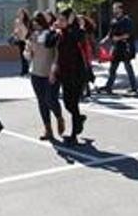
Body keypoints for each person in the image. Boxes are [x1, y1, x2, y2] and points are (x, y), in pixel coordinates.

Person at [24, 11, 64, 140]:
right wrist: (28, 50)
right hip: (36, 73)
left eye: (38, 24)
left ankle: (59, 117)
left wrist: (53, 72)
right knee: (41, 102)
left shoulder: (52, 35)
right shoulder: (32, 36)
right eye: (34, 24)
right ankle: (48, 130)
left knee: (50, 100)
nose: (36, 27)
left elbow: (57, 55)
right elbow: (29, 55)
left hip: (50, 73)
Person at [52, 8, 88, 145]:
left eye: (62, 19)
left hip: (77, 73)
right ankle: (79, 119)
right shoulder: (60, 33)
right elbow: (50, 43)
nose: (59, 22)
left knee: (73, 103)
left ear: (69, 20)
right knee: (67, 103)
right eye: (58, 19)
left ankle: (74, 135)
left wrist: (74, 22)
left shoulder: (76, 32)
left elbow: (78, 37)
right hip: (65, 74)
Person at [100, 2, 138, 95]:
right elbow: (110, 33)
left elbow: (128, 34)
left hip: (125, 48)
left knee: (128, 68)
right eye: (113, 8)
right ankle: (108, 87)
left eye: (116, 8)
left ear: (121, 9)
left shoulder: (127, 20)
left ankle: (134, 88)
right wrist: (104, 40)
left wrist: (118, 38)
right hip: (116, 48)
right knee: (112, 69)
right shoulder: (113, 20)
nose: (114, 10)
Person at [77, 15, 98, 98]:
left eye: (81, 20)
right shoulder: (77, 30)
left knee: (85, 71)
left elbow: (92, 42)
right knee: (84, 72)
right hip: (79, 52)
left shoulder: (88, 31)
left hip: (86, 53)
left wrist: (95, 53)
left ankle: (84, 90)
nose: (79, 22)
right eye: (78, 20)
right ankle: (86, 89)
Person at [10, 8, 31, 76]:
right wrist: (15, 33)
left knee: (27, 55)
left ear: (24, 14)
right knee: (22, 56)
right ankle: (24, 70)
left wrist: (21, 25)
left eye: (21, 13)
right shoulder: (17, 21)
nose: (20, 15)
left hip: (26, 40)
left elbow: (26, 32)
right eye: (19, 13)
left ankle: (26, 70)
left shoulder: (26, 22)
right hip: (20, 40)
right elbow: (15, 30)